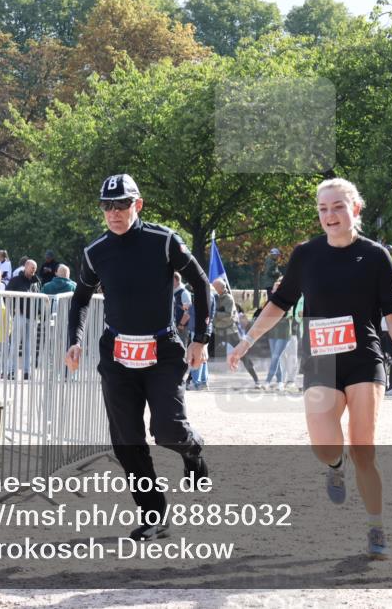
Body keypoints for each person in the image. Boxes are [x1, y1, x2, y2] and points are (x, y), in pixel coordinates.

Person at [229, 178, 392, 561]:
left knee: (365, 450)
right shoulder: (306, 255)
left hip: (364, 358)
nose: (330, 215)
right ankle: (334, 464)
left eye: (338, 207)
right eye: (323, 209)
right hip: (321, 362)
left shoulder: (376, 255)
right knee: (323, 445)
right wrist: (246, 341)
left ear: (355, 209)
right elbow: (279, 304)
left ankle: (376, 526)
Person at [65, 174, 211, 542]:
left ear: (138, 205)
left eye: (122, 204)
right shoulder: (95, 252)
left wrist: (201, 338)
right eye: (107, 206)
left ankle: (192, 451)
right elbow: (80, 298)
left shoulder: (163, 241)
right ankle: (154, 514)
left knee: (169, 431)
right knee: (127, 441)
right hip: (117, 354)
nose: (114, 212)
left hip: (161, 351)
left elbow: (201, 283)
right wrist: (74, 340)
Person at [212, 278, 261, 389]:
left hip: (230, 332)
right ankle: (193, 379)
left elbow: (228, 315)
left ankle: (257, 380)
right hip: (217, 331)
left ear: (220, 288)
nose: (213, 289)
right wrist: (216, 315)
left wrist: (215, 314)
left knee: (242, 354)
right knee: (203, 350)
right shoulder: (214, 298)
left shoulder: (228, 299)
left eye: (214, 287)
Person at [5, 259, 40, 379]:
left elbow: (39, 298)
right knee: (15, 343)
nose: (33, 271)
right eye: (31, 268)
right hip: (19, 315)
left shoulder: (36, 282)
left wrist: (38, 313)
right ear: (25, 267)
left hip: (32, 317)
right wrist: (13, 309)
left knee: (29, 345)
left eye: (34, 269)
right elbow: (7, 296)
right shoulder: (15, 280)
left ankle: (27, 371)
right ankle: (11, 371)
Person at [171, 272, 192, 348]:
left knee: (182, 349)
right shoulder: (174, 292)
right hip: (175, 326)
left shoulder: (184, 293)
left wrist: (181, 324)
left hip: (182, 327)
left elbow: (188, 312)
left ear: (175, 280)